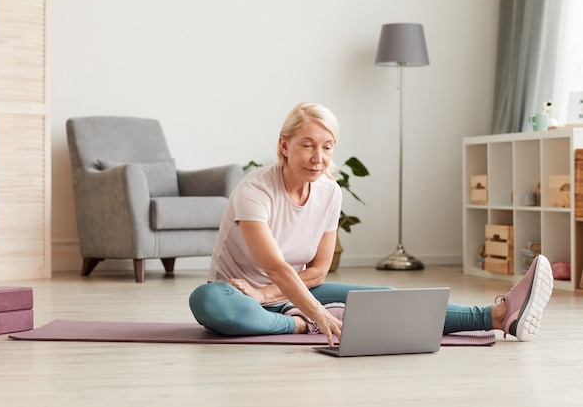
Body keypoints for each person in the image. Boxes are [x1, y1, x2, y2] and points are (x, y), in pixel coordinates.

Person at [189, 102, 554, 347]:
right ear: (284, 146)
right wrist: (312, 315)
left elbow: (316, 270)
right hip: (238, 298)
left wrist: (270, 295)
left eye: (327, 147)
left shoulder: (330, 193)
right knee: (206, 300)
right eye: (307, 145)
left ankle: (500, 315)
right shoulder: (253, 191)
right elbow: (274, 266)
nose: (319, 158)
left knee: (383, 298)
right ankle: (299, 325)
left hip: (292, 294)